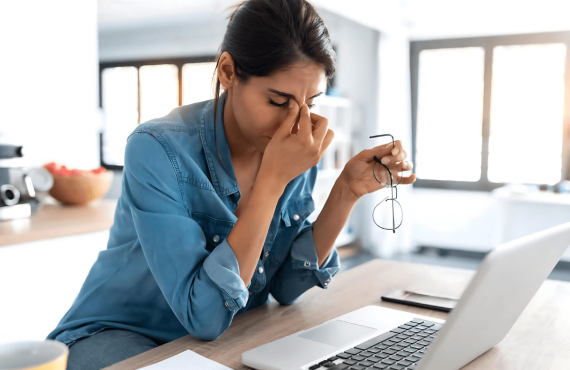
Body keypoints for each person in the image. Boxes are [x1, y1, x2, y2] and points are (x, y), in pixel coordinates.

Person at [46, 0, 416, 368]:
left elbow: (287, 287)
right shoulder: (157, 148)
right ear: (227, 71)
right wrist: (272, 181)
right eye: (278, 100)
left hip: (219, 337)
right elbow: (203, 316)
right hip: (118, 332)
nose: (297, 123)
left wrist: (346, 192)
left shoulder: (291, 147)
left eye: (311, 102)